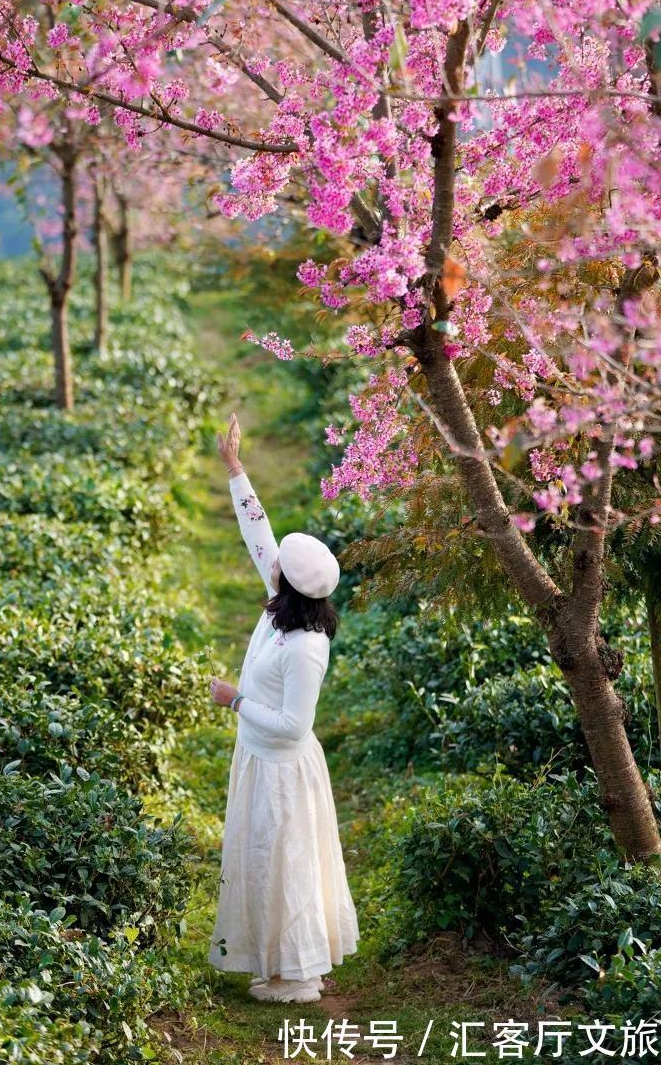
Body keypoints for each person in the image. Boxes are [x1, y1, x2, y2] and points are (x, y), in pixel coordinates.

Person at [207, 411, 360, 1004]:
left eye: (278, 565)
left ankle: (297, 975)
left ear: (293, 585)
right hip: (257, 759)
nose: (269, 562)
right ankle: (277, 962)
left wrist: (235, 699)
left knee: (286, 865)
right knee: (264, 861)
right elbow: (260, 538)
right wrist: (236, 470)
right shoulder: (281, 604)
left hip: (281, 769)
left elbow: (297, 726)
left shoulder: (306, 647)